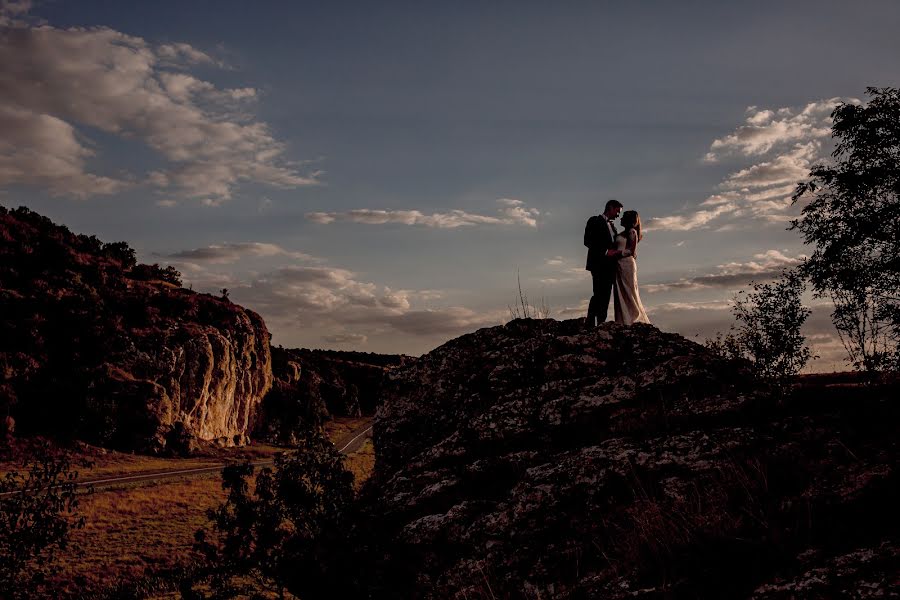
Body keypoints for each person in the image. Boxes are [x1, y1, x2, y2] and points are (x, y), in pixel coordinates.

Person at [584, 199, 623, 326]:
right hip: (598, 264)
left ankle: (601, 323)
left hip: (611, 266)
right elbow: (588, 241)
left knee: (606, 295)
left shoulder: (613, 227)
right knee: (598, 293)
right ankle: (589, 323)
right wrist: (606, 251)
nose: (618, 215)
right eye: (617, 211)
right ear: (610, 208)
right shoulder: (594, 221)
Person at [612, 210, 650, 325]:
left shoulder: (632, 232)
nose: (621, 219)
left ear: (628, 220)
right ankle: (623, 318)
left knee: (629, 290)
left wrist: (615, 253)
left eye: (623, 217)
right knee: (621, 291)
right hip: (619, 264)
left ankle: (632, 318)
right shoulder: (623, 232)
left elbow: (631, 251)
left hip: (626, 264)